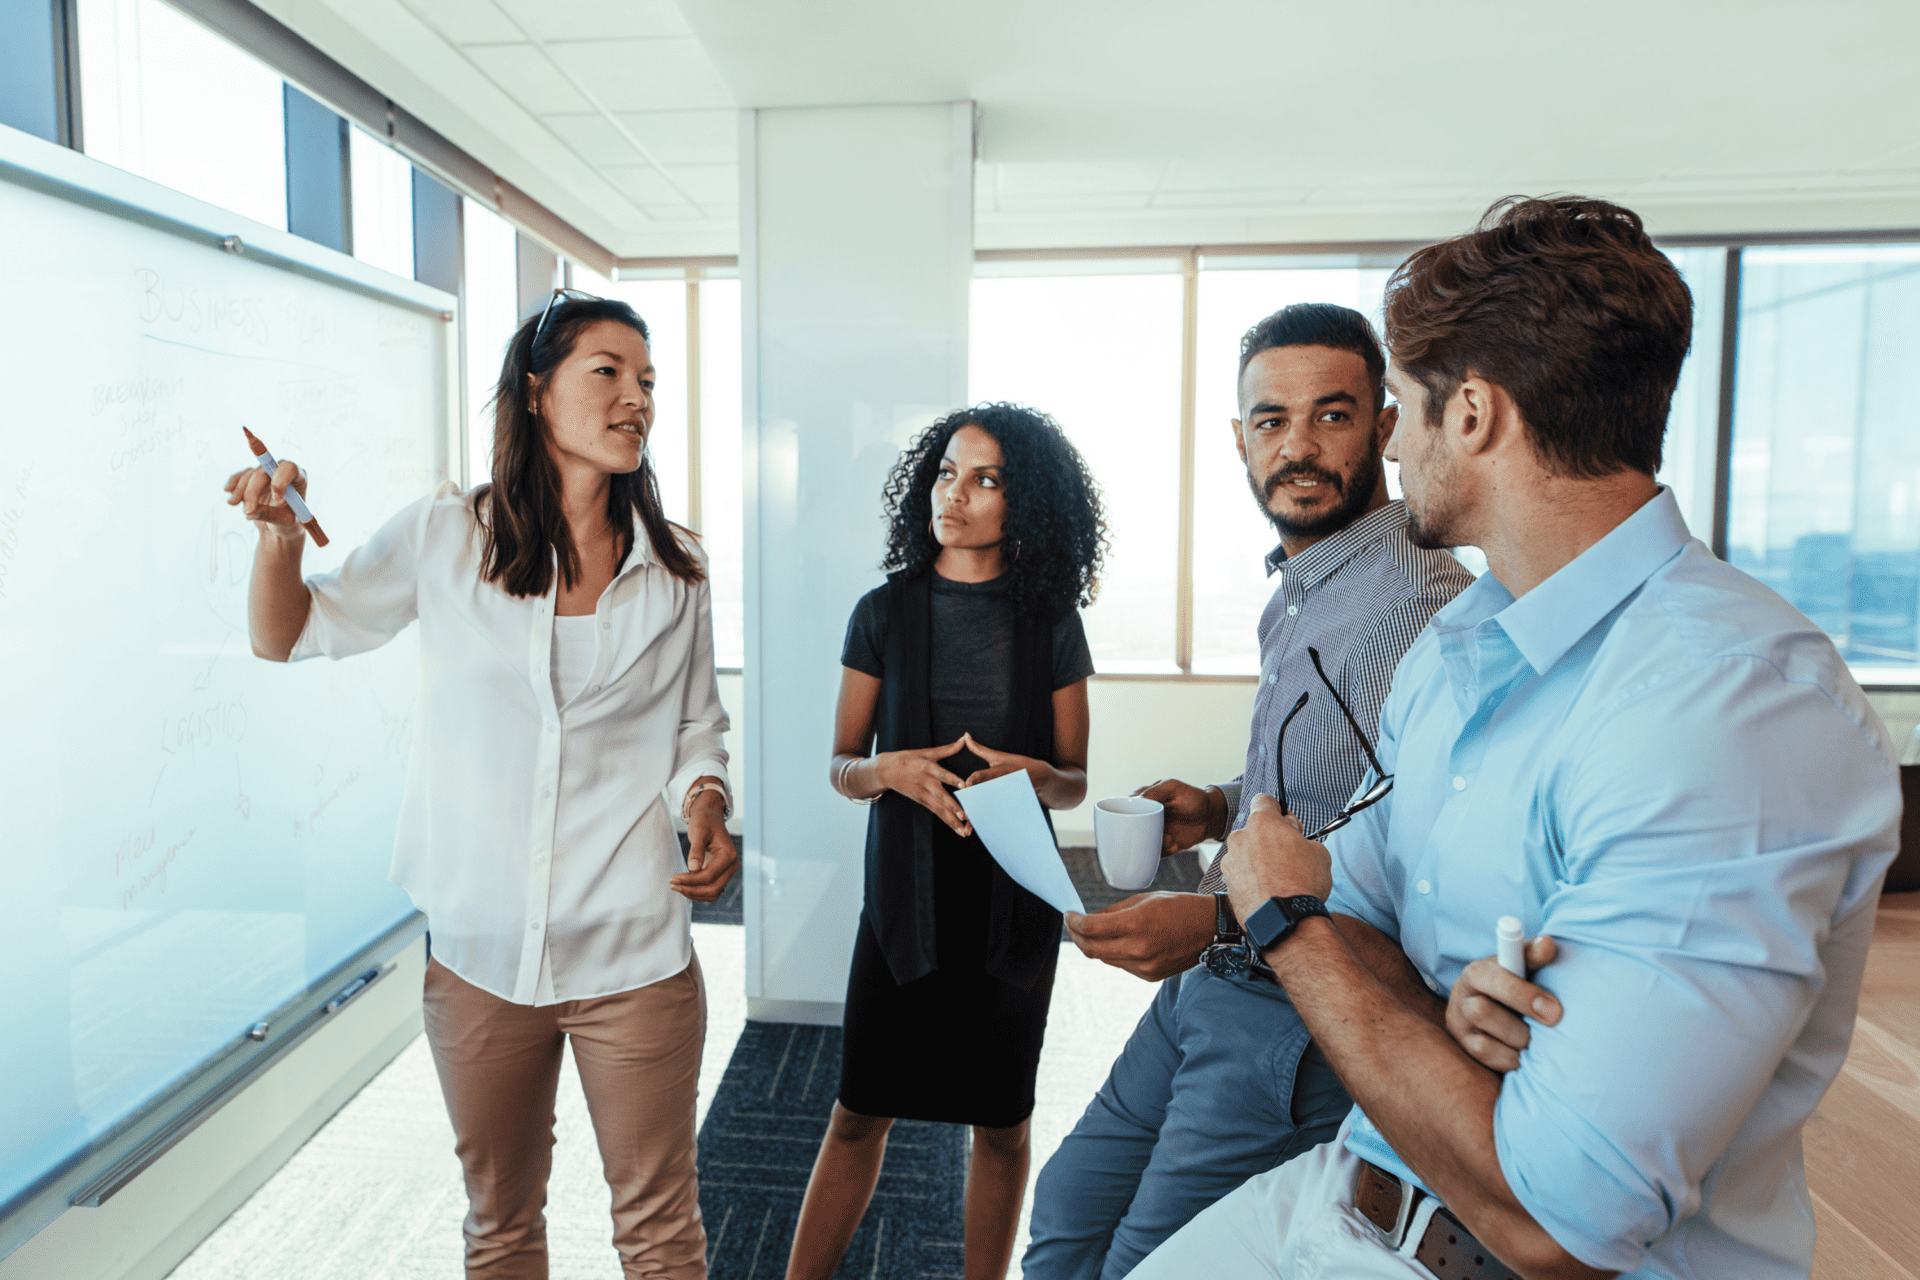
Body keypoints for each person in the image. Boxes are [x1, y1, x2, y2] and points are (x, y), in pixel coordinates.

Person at [1131, 197, 1901, 1279]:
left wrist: (1292, 928)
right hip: (1345, 1194)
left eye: (1399, 410)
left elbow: (1560, 1220)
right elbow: (1349, 893)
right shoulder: (1460, 644)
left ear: (1477, 415)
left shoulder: (1736, 711)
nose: (1393, 453)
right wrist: (1441, 1009)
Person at [225, 288, 736, 1279]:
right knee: (500, 1224)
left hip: (634, 951)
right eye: (608, 371)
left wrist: (707, 802)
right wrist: (280, 535)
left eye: (649, 382)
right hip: (479, 957)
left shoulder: (679, 572)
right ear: (536, 391)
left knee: (661, 1234)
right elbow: (286, 632)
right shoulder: (445, 536)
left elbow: (694, 730)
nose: (636, 396)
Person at [1025, 304, 1473, 1278]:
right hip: (1213, 980)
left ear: (1386, 425)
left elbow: (1394, 853)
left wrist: (1215, 923)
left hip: (1295, 1008)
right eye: (1271, 421)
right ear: (1239, 439)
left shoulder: (1417, 603)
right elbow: (1330, 784)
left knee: (1151, 1262)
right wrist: (1222, 805)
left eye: (1333, 415)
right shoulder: (1304, 588)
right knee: (1066, 1213)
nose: (1298, 446)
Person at [785, 404, 1105, 1280]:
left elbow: (1074, 779)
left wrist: (1027, 774)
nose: (953, 495)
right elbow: (843, 764)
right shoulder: (883, 613)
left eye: (985, 478)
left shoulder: (1051, 623)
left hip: (1012, 907)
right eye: (944, 473)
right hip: (904, 901)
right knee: (858, 1112)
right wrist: (888, 773)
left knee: (1001, 1128)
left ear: (1024, 502)